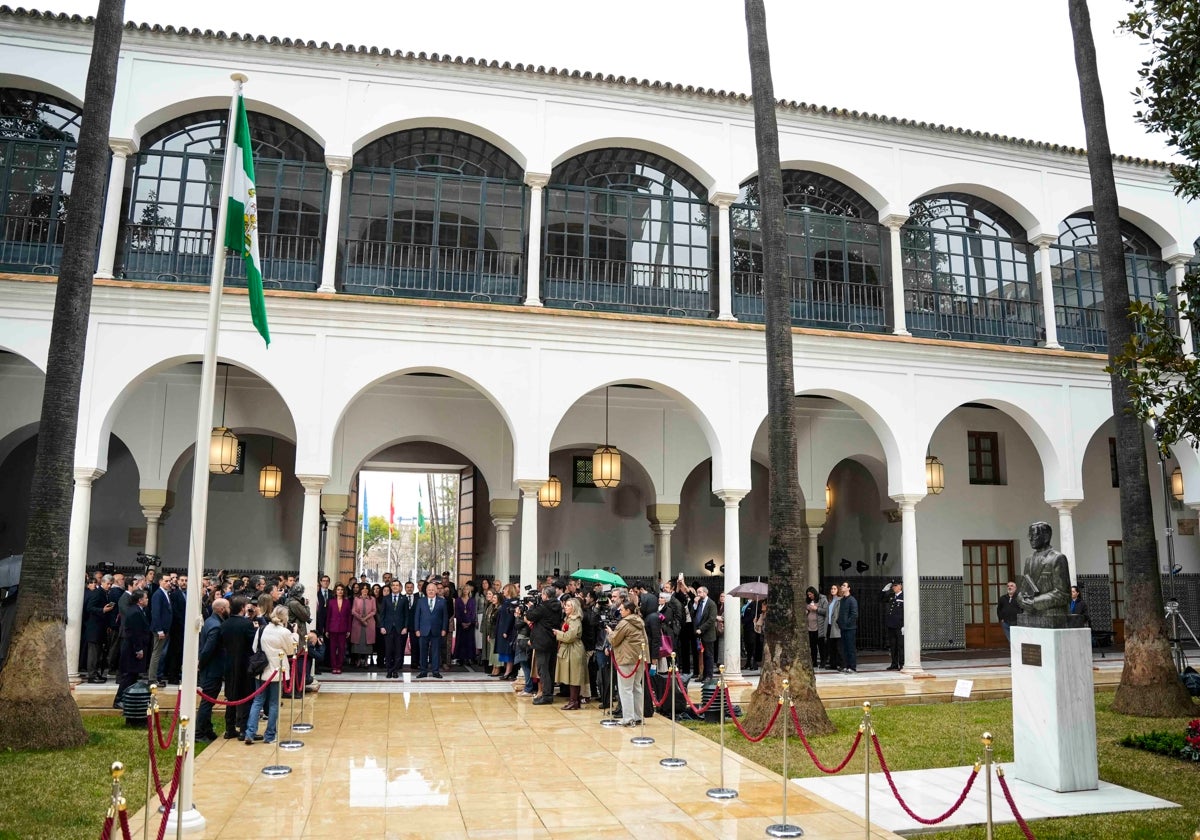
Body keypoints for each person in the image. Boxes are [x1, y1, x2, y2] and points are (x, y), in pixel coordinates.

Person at [245, 605, 298, 746]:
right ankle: (269, 735)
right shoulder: (285, 632)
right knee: (274, 703)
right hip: (276, 670)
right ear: (285, 617)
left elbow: (254, 647)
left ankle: (250, 732)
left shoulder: (262, 629)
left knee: (257, 701)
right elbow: (290, 650)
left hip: (261, 669)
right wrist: (295, 636)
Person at [1016, 521, 1071, 625]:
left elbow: (1063, 594)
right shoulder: (1029, 560)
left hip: (1052, 615)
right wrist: (1021, 598)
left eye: (1034, 535)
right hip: (1031, 614)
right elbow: (1024, 587)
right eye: (1029, 535)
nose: (1030, 538)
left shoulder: (1057, 558)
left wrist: (1035, 602)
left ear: (1046, 537)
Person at [606, 594, 648, 726]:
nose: (620, 611)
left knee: (626, 689)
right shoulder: (639, 621)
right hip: (639, 658)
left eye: (622, 609)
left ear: (628, 611)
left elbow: (614, 640)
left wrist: (609, 632)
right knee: (637, 687)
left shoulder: (624, 623)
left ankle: (628, 718)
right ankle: (638, 716)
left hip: (627, 659)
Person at [219, 596, 256, 740]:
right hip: (244, 663)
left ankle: (229, 728)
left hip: (229, 663)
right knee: (246, 697)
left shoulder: (225, 624)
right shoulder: (246, 624)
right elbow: (252, 643)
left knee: (231, 696)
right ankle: (243, 729)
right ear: (242, 608)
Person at [195, 597, 228, 742]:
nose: (229, 610)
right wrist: (201, 664)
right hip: (212, 669)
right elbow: (208, 650)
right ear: (221, 609)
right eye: (227, 607)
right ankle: (199, 733)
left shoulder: (211, 621)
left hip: (211, 668)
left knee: (209, 701)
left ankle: (207, 729)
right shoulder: (216, 626)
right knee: (207, 703)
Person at [525, 585, 562, 705]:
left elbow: (530, 616)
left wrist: (531, 607)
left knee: (543, 669)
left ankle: (546, 696)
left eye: (542, 594)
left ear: (546, 595)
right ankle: (549, 693)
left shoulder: (543, 607)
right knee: (550, 668)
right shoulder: (558, 606)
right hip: (552, 640)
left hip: (542, 641)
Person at [113, 589, 149, 709]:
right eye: (145, 598)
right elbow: (134, 633)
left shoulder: (138, 611)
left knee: (133, 675)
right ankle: (119, 699)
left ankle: (129, 698)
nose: (147, 599)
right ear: (140, 600)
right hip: (131, 650)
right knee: (128, 676)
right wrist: (138, 649)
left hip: (134, 648)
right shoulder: (135, 612)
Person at [554, 597, 586, 710]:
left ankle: (574, 701)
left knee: (574, 676)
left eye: (568, 606)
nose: (565, 607)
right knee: (572, 675)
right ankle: (574, 700)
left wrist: (558, 633)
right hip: (569, 649)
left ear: (574, 608)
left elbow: (570, 636)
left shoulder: (575, 620)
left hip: (574, 649)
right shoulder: (568, 619)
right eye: (565, 605)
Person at [414, 581, 447, 678]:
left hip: (437, 630)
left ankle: (435, 671)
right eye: (429, 590)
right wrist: (417, 629)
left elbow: (445, 616)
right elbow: (417, 616)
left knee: (436, 651)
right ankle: (423, 671)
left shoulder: (442, 601)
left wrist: (444, 629)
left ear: (436, 591)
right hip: (423, 630)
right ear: (426, 591)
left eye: (433, 590)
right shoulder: (421, 601)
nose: (431, 591)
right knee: (423, 651)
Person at [83, 577, 112, 684]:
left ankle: (95, 672)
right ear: (103, 582)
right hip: (94, 628)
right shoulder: (97, 593)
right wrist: (102, 610)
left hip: (100, 627)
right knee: (93, 653)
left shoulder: (103, 593)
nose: (109, 586)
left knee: (98, 652)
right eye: (108, 584)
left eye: (111, 584)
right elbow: (89, 607)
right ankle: (92, 674)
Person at [378, 580, 408, 678]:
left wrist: (405, 627)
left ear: (400, 587)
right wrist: (382, 626)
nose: (395, 587)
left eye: (397, 585)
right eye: (393, 585)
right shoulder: (386, 598)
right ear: (391, 587)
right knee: (388, 650)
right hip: (388, 628)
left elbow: (406, 615)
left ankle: (395, 670)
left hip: (400, 629)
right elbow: (382, 614)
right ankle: (389, 670)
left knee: (398, 651)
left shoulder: (404, 599)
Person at [147, 574, 173, 685]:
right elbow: (156, 613)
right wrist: (159, 629)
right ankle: (152, 678)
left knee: (160, 653)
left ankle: (156, 676)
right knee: (157, 654)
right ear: (160, 581)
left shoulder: (165, 593)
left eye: (169, 581)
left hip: (165, 629)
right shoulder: (158, 594)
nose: (169, 583)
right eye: (166, 581)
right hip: (160, 629)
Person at [326, 583, 352, 674]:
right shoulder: (331, 602)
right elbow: (328, 616)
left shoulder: (347, 602)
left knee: (341, 649)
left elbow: (349, 616)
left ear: (343, 591)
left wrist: (349, 629)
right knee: (333, 649)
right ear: (335, 591)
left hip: (343, 628)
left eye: (341, 590)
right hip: (332, 628)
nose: (340, 591)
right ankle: (334, 666)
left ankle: (339, 666)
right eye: (338, 590)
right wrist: (326, 629)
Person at [693, 586, 717, 680]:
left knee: (708, 655)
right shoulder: (699, 603)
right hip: (698, 634)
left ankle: (708, 676)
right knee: (700, 656)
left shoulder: (711, 604)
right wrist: (695, 604)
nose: (698, 594)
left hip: (707, 634)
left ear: (705, 593)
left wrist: (701, 629)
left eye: (700, 592)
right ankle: (702, 674)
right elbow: (694, 615)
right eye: (697, 592)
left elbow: (711, 619)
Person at [495, 584, 518, 680]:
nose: (503, 591)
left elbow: (510, 618)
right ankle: (506, 670)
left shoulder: (512, 602)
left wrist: (506, 630)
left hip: (508, 631)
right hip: (502, 628)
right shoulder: (506, 602)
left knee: (508, 652)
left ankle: (508, 671)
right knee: (504, 652)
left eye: (505, 589)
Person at [351, 582, 377, 669]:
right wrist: (361, 618)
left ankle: (366, 661)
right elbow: (353, 611)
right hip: (358, 623)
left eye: (366, 588)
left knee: (367, 642)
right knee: (358, 642)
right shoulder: (356, 599)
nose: (365, 590)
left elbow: (374, 611)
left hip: (369, 623)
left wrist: (365, 618)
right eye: (363, 588)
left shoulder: (372, 599)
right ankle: (358, 660)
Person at [837, 581, 858, 673]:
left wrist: (847, 623)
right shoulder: (842, 600)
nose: (842, 587)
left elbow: (854, 614)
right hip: (843, 627)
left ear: (849, 588)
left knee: (850, 648)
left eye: (844, 586)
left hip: (850, 628)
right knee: (844, 648)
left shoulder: (852, 600)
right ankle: (845, 666)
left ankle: (852, 667)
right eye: (842, 585)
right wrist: (839, 622)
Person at [453, 585, 477, 667]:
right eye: (464, 589)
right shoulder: (458, 600)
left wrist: (470, 622)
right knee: (461, 641)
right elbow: (457, 612)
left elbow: (473, 612)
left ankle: (469, 658)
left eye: (467, 589)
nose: (465, 590)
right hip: (461, 624)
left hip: (470, 624)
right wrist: (462, 622)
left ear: (469, 590)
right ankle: (461, 658)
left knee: (469, 641)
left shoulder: (472, 600)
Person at [804, 586, 825, 672]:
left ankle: (823, 662)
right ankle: (814, 661)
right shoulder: (808, 601)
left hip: (818, 626)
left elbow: (825, 611)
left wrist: (816, 609)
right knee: (812, 646)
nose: (809, 596)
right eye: (808, 595)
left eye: (811, 594)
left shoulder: (821, 600)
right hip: (810, 627)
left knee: (820, 645)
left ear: (814, 593)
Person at [885, 581, 904, 670]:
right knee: (893, 646)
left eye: (895, 586)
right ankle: (894, 663)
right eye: (893, 586)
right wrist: (884, 590)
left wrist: (904, 625)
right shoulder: (891, 596)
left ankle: (902, 663)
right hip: (891, 624)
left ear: (900, 586)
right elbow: (881, 599)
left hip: (900, 625)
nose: (894, 587)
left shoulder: (904, 596)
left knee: (900, 645)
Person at [825, 583, 842, 671]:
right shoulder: (830, 600)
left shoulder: (839, 600)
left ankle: (840, 663)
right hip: (829, 625)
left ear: (838, 590)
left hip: (835, 625)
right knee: (830, 646)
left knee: (837, 646)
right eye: (832, 588)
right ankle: (833, 664)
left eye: (834, 589)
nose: (832, 590)